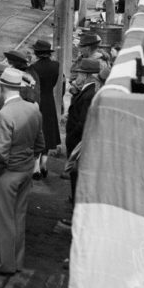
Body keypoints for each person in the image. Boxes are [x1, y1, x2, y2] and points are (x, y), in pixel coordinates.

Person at [0, 68, 45, 274]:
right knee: (19, 217)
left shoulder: (3, 114)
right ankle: (17, 261)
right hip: (27, 169)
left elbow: (1, 153)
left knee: (3, 219)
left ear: (3, 87)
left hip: (8, 173)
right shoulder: (33, 109)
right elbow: (40, 144)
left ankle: (6, 263)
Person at [65, 58, 100, 203]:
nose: (77, 77)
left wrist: (71, 136)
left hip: (77, 141)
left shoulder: (88, 95)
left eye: (79, 74)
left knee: (75, 174)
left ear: (85, 76)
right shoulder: (88, 91)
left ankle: (75, 202)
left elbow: (82, 121)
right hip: (78, 139)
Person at [29, 39, 60, 179]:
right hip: (49, 100)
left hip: (37, 101)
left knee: (37, 132)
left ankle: (35, 168)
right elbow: (53, 83)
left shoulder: (33, 68)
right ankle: (44, 165)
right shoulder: (56, 66)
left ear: (36, 53)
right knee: (48, 132)